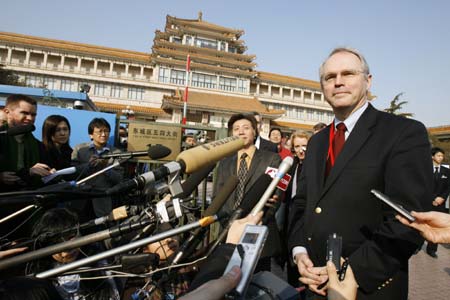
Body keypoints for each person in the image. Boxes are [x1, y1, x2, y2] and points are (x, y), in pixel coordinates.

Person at [288, 47, 432, 299]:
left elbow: (407, 221)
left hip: (369, 285)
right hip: (313, 282)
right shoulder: (317, 142)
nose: (338, 82)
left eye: (348, 73)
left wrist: (350, 272)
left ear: (368, 81)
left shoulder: (402, 133)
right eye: (329, 77)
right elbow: (302, 204)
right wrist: (299, 252)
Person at [214, 113, 282, 271]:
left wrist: (257, 222)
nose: (241, 132)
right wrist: (229, 224)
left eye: (246, 128)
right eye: (236, 129)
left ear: (255, 132)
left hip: (258, 231)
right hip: (229, 232)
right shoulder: (225, 162)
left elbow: (276, 196)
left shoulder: (271, 159)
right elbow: (218, 196)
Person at [71, 118, 123, 221]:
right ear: (91, 135)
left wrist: (105, 168)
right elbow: (73, 174)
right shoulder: (80, 150)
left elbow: (119, 179)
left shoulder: (117, 153)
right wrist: (88, 165)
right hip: (80, 199)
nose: (103, 134)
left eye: (106, 131)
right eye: (100, 131)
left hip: (102, 201)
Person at [0, 94, 53, 191]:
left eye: (33, 115)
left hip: (28, 198)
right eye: (24, 113)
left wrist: (50, 174)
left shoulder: (39, 146)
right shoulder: (1, 137)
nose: (30, 118)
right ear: (7, 112)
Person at [425, 147, 450, 257]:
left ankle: (432, 249)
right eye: (439, 155)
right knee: (422, 224)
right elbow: (423, 186)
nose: (441, 157)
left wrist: (441, 198)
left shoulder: (447, 171)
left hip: (440, 204)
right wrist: (432, 198)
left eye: (442, 156)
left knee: (436, 226)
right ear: (432, 156)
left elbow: (448, 187)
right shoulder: (424, 170)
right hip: (426, 202)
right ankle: (416, 246)